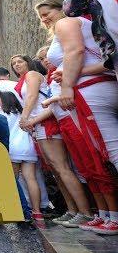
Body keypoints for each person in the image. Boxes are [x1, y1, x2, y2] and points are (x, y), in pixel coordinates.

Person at [37, 0, 118, 234]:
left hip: (88, 92)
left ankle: (112, 215)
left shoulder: (67, 23)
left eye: (47, 11)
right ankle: (108, 214)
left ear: (61, 7)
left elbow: (75, 50)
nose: (44, 18)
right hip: (94, 86)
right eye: (40, 16)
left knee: (108, 151)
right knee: (99, 154)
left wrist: (67, 86)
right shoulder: (86, 24)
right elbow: (104, 61)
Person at [13, 44, 94, 227]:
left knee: (62, 167)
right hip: (38, 124)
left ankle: (86, 212)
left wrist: (26, 119)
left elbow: (33, 96)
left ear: (28, 63)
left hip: (45, 123)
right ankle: (72, 210)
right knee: (56, 171)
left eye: (20, 61)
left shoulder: (32, 75)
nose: (17, 65)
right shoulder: (29, 78)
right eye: (14, 63)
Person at [0, 92, 42, 221]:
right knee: (31, 179)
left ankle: (15, 209)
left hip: (13, 148)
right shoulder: (24, 114)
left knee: (12, 180)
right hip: (28, 148)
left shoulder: (4, 115)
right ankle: (37, 212)